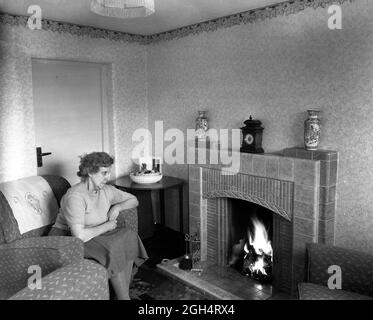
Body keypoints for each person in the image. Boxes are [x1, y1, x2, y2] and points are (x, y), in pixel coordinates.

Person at [49, 152, 148, 300]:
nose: (108, 177)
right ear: (89, 172)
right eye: (104, 173)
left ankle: (123, 294)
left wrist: (117, 208)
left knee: (128, 236)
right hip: (67, 240)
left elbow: (134, 200)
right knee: (113, 246)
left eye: (109, 172)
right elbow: (79, 236)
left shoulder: (105, 190)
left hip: (95, 234)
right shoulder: (75, 196)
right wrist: (108, 226)